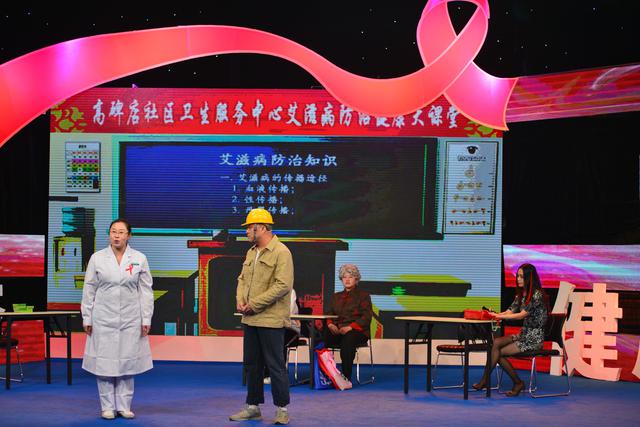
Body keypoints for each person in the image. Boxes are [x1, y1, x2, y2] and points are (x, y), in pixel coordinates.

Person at [81, 218, 154, 420]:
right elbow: (89, 289)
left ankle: (124, 406)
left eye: (121, 232)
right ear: (109, 234)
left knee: (127, 364)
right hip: (103, 317)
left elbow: (146, 291)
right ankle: (107, 407)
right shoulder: (97, 258)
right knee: (104, 364)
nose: (117, 236)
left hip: (131, 318)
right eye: (113, 231)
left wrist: (146, 318)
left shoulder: (139, 258)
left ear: (129, 235)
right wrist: (87, 317)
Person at [230, 208, 293, 425]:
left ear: (262, 228)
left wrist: (254, 304)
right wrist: (240, 300)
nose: (247, 231)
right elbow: (242, 279)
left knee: (275, 365)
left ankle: (282, 409)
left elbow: (283, 285)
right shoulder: (251, 252)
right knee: (252, 364)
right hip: (250, 318)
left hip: (271, 319)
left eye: (250, 227)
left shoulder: (281, 252)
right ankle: (253, 407)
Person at [472, 263, 548, 397]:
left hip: (533, 338)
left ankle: (516, 383)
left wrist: (499, 317)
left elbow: (521, 315)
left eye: (521, 277)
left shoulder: (536, 295)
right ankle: (486, 380)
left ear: (529, 278)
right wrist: (495, 315)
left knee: (498, 354)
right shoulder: (521, 295)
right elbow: (510, 311)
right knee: (496, 343)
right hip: (523, 335)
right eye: (517, 276)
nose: (518, 279)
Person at [324, 264, 372, 383]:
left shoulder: (363, 296)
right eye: (344, 277)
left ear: (356, 279)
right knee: (320, 336)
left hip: (357, 331)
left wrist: (350, 327)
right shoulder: (336, 296)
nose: (347, 280)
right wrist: (330, 324)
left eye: (350, 277)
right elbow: (329, 313)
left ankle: (346, 377)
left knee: (348, 338)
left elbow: (367, 317)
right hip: (339, 330)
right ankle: (321, 374)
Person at [264, 288, 301, 385]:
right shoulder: (267, 290)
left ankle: (277, 375)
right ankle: (264, 374)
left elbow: (288, 311)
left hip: (289, 327)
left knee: (278, 338)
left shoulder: (291, 291)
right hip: (272, 325)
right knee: (263, 335)